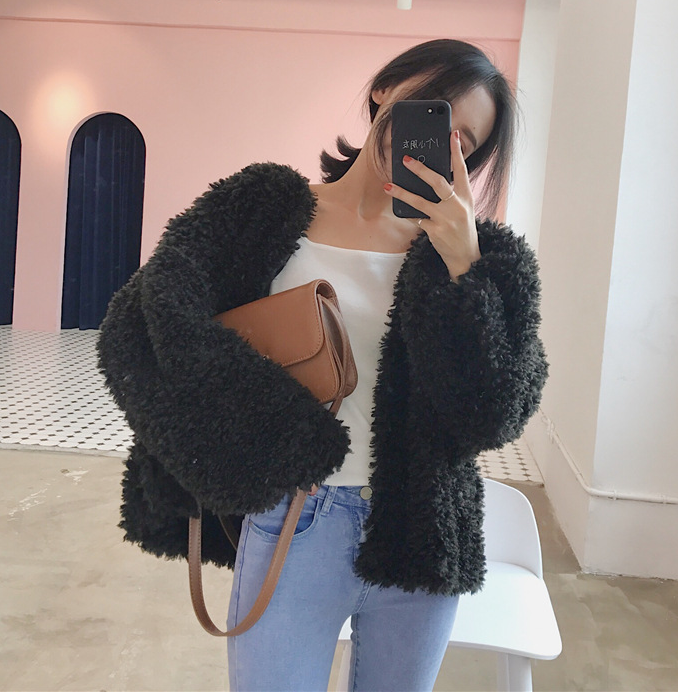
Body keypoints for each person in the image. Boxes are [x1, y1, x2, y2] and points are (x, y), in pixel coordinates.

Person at [97, 38, 549, 692]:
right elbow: (142, 323)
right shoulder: (263, 207)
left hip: (420, 535)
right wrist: (277, 438)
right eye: (432, 108)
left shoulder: (483, 260)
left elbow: (495, 413)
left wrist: (464, 266)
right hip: (294, 521)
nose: (439, 139)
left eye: (463, 139)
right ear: (384, 91)